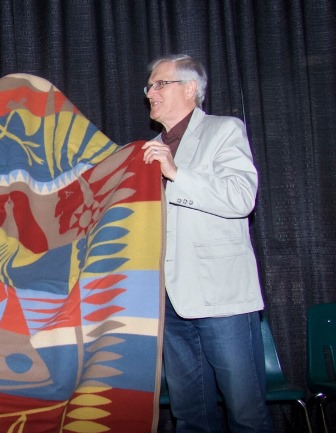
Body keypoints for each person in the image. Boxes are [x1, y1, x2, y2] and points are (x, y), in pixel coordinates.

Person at [141, 54, 274, 433]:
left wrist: (176, 173)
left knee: (247, 416)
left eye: (159, 84)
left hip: (222, 299)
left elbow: (240, 197)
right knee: (191, 418)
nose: (150, 92)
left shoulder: (223, 130)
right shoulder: (146, 150)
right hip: (169, 302)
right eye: (148, 86)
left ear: (190, 88)